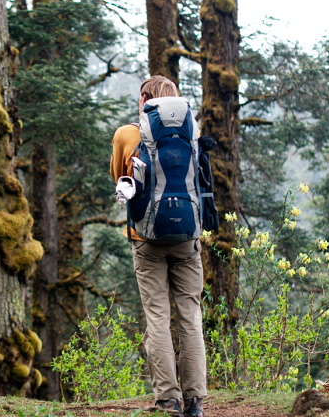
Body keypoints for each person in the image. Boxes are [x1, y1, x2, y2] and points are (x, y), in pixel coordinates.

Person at [110, 76, 207, 417]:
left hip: (146, 240)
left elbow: (117, 176)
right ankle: (196, 401)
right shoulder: (190, 133)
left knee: (158, 318)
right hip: (188, 240)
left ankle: (169, 400)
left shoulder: (127, 134)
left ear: (146, 98)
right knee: (190, 317)